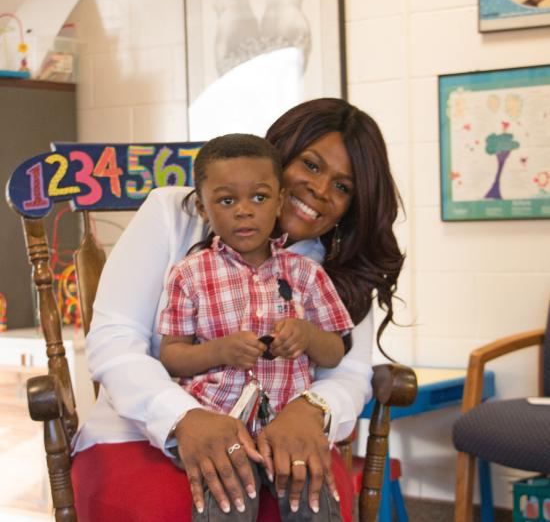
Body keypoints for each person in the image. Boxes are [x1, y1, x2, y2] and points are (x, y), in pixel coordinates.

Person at [71, 98, 405, 522]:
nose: (321, 191)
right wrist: (182, 418)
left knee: (316, 503)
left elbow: (349, 372)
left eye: (343, 187)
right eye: (312, 165)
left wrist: (312, 409)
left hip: (282, 444)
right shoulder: (175, 214)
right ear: (278, 156)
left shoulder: (333, 269)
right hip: (141, 432)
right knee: (172, 507)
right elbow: (115, 341)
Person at [158, 133, 354, 520]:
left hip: (288, 426)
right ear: (202, 207)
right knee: (227, 503)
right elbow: (171, 356)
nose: (244, 211)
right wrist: (219, 350)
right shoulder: (189, 275)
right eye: (227, 200)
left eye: (260, 198)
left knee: (314, 500)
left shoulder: (305, 274)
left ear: (279, 201)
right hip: (221, 427)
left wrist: (308, 335)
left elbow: (336, 350)